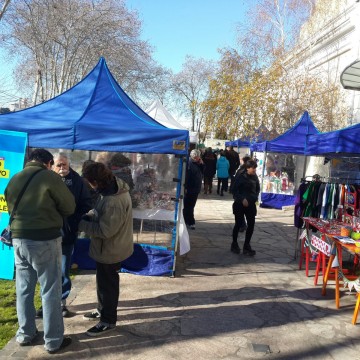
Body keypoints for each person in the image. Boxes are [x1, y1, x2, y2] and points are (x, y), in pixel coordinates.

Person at [5, 149, 75, 353]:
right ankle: (53, 341)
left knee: (24, 290)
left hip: (19, 240)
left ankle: (25, 334)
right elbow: (69, 206)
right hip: (45, 239)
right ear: (49, 162)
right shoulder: (50, 177)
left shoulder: (16, 177)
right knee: (50, 290)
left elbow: (10, 204)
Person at [78, 162, 134, 336]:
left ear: (96, 181)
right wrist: (91, 214)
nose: (88, 184)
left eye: (89, 181)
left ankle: (108, 321)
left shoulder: (112, 200)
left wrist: (80, 224)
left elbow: (105, 230)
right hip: (110, 248)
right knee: (103, 282)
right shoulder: (111, 188)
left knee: (108, 286)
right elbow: (103, 214)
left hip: (111, 250)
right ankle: (102, 310)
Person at [35, 152, 92, 318]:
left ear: (69, 165)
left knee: (63, 269)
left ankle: (61, 302)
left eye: (64, 165)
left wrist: (74, 222)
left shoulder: (77, 181)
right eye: (58, 165)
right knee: (46, 270)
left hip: (66, 234)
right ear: (52, 165)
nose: (62, 168)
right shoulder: (44, 179)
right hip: (46, 233)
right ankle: (45, 303)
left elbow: (85, 203)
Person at [231, 159, 260, 256]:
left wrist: (253, 198)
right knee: (238, 224)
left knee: (251, 225)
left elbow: (257, 190)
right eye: (253, 168)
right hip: (240, 204)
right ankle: (234, 244)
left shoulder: (255, 177)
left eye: (255, 169)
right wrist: (242, 199)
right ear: (248, 168)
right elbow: (234, 191)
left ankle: (247, 245)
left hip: (251, 205)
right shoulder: (240, 176)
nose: (254, 170)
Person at [183, 149, 204, 230]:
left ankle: (189, 221)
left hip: (195, 189)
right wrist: (186, 188)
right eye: (197, 157)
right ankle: (190, 222)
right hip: (190, 188)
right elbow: (187, 177)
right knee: (188, 206)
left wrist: (202, 164)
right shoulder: (189, 164)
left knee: (191, 206)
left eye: (199, 157)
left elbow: (202, 172)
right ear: (194, 156)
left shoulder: (197, 163)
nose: (198, 158)